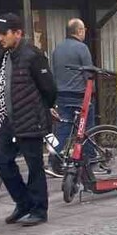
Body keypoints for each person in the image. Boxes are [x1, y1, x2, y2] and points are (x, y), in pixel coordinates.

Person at [0, 13, 56, 226]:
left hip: (31, 119)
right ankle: (23, 202)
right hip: (11, 119)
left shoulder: (33, 55)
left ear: (18, 33)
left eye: (4, 33)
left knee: (34, 165)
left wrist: (41, 109)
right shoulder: (6, 56)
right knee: (2, 160)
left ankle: (39, 210)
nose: (1, 38)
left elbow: (49, 88)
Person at [50, 19, 95, 154]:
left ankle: (54, 159)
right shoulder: (82, 48)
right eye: (84, 30)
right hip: (80, 96)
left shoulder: (57, 49)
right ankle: (89, 158)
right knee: (86, 129)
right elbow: (89, 74)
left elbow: (54, 73)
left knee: (62, 129)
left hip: (61, 95)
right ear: (79, 31)